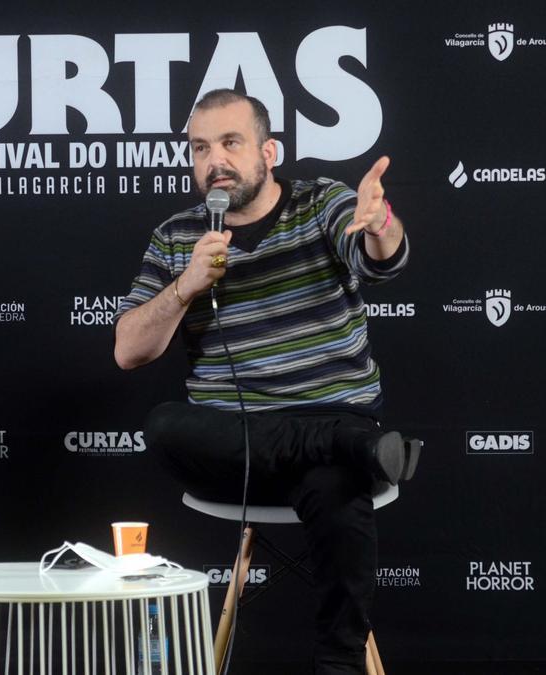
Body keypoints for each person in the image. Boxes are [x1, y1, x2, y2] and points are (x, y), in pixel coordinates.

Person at [113, 89, 419, 675]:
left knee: (335, 486)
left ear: (269, 152)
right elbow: (129, 351)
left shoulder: (321, 203)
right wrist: (185, 286)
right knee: (165, 425)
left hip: (329, 415)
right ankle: (349, 448)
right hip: (237, 442)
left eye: (230, 143)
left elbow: (379, 259)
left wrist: (380, 224)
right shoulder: (178, 237)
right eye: (200, 149)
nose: (214, 162)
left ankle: (339, 664)